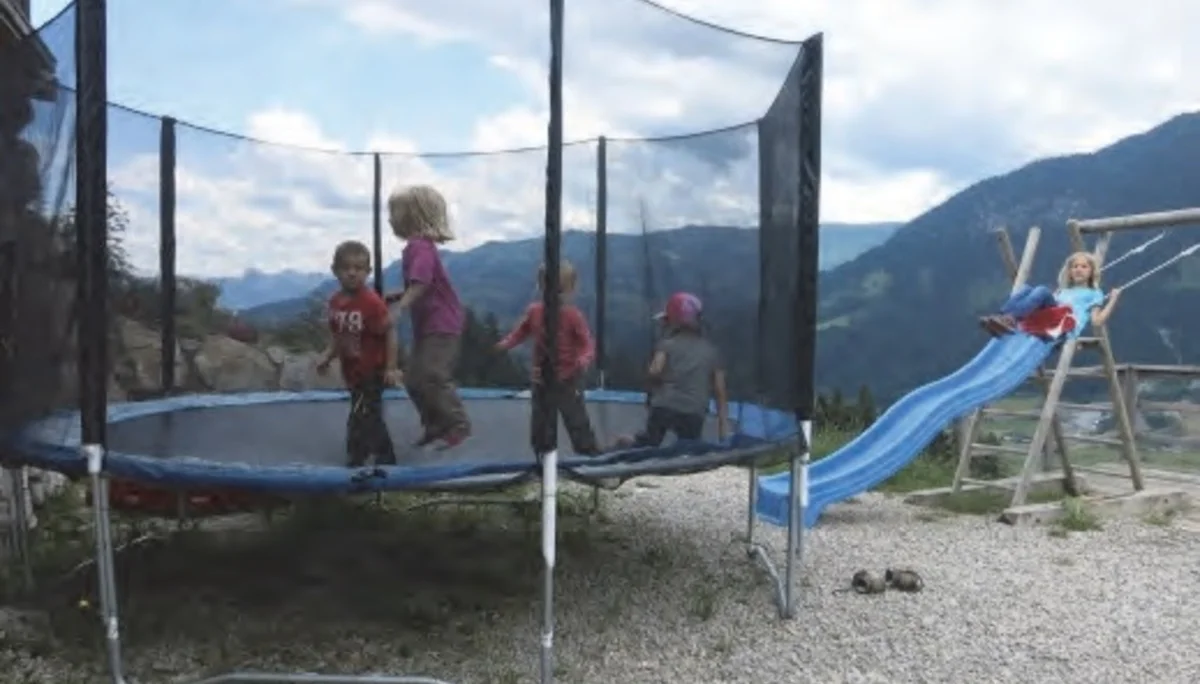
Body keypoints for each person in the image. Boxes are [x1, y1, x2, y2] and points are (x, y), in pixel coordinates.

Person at [383, 184, 472, 450]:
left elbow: (421, 284)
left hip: (442, 323)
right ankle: (434, 424)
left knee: (432, 374)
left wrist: (400, 307)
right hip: (429, 325)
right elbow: (423, 282)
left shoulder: (419, 247)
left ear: (411, 215)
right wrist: (399, 295)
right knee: (413, 378)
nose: (390, 219)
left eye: (394, 213)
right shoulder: (418, 247)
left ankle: (457, 423)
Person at [494, 259, 601, 456]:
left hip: (568, 378)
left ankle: (589, 456)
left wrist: (584, 359)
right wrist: (504, 345)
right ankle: (542, 457)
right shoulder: (534, 311)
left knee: (576, 419)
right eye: (551, 290)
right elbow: (520, 333)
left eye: (560, 291)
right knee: (540, 421)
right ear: (541, 287)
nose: (556, 296)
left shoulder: (573, 315)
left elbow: (587, 343)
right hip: (541, 378)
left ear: (571, 289)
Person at [315, 240, 402, 468]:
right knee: (367, 415)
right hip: (351, 372)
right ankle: (367, 455)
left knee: (362, 416)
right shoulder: (335, 303)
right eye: (346, 268)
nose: (352, 273)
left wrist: (391, 367)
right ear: (335, 270)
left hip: (371, 370)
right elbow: (338, 337)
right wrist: (328, 355)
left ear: (368, 272)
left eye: (359, 268)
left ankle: (369, 458)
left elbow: (389, 332)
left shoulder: (371, 303)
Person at [614, 291, 729, 450]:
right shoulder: (712, 352)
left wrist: (652, 392)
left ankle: (627, 444)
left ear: (673, 322)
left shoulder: (667, 345)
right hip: (693, 411)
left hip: (664, 406)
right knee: (689, 447)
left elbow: (654, 371)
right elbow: (720, 391)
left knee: (649, 443)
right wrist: (723, 428)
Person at [980, 250, 1122, 338]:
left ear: (1091, 272)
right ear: (1070, 272)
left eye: (1084, 267)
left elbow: (1096, 322)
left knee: (1042, 290)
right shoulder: (1064, 290)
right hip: (1051, 315)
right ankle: (1001, 318)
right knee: (1026, 289)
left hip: (1066, 321)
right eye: (1075, 267)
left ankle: (1009, 319)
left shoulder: (1094, 293)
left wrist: (1113, 299)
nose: (1078, 269)